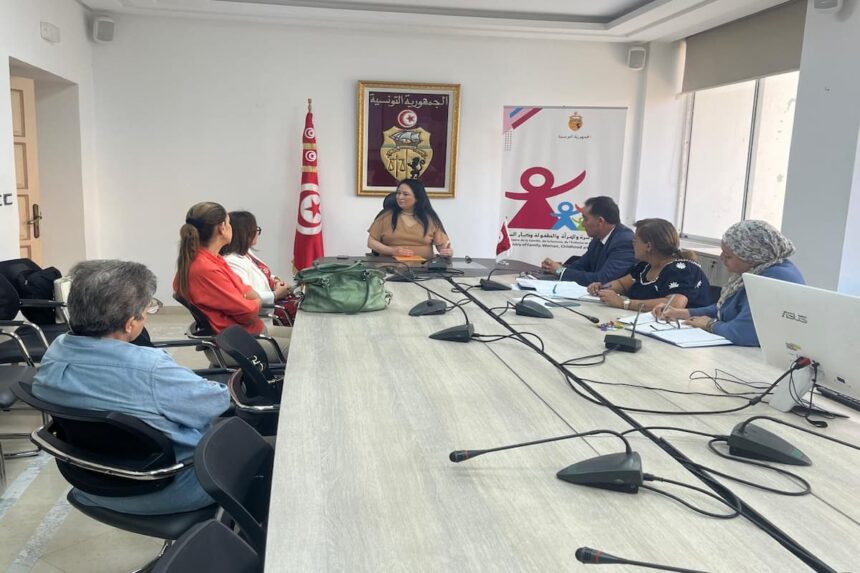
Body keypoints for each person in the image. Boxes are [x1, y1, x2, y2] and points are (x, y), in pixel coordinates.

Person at [32, 260, 229, 515]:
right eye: (147, 309)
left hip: (91, 485)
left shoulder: (55, 353)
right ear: (129, 323)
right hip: (169, 486)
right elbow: (215, 402)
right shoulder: (150, 369)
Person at [654, 220, 804, 346]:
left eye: (728, 256)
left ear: (751, 256)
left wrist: (710, 324)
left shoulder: (775, 278)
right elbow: (725, 308)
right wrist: (684, 313)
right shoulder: (757, 269)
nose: (721, 258)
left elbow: (744, 333)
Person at [173, 202, 290, 357]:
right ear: (222, 228)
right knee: (305, 349)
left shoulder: (213, 259)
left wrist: (250, 299)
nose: (231, 228)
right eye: (229, 223)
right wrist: (254, 301)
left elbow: (245, 290)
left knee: (302, 337)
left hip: (245, 333)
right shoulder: (205, 268)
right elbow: (247, 312)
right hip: (235, 344)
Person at [587, 218, 711, 311]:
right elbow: (622, 284)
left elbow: (674, 304)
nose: (632, 244)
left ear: (649, 246)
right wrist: (602, 288)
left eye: (635, 241)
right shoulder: (645, 266)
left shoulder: (682, 269)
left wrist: (623, 303)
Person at [540, 196, 635, 286]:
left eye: (585, 219)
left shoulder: (624, 242)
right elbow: (581, 266)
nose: (582, 224)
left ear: (600, 221)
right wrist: (553, 268)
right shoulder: (597, 239)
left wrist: (560, 271)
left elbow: (602, 280)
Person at [221, 210, 295, 323]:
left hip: (274, 303)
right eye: (254, 229)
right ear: (244, 233)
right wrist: (275, 294)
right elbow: (245, 296)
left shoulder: (246, 252)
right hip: (264, 314)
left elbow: (261, 272)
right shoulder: (232, 261)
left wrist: (275, 280)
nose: (257, 232)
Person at [367, 178, 453, 259]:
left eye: (405, 194)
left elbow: (442, 246)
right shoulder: (385, 216)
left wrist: (446, 251)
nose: (400, 197)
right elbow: (371, 242)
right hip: (390, 265)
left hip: (424, 266)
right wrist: (393, 251)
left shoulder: (430, 218)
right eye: (398, 193)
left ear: (417, 198)